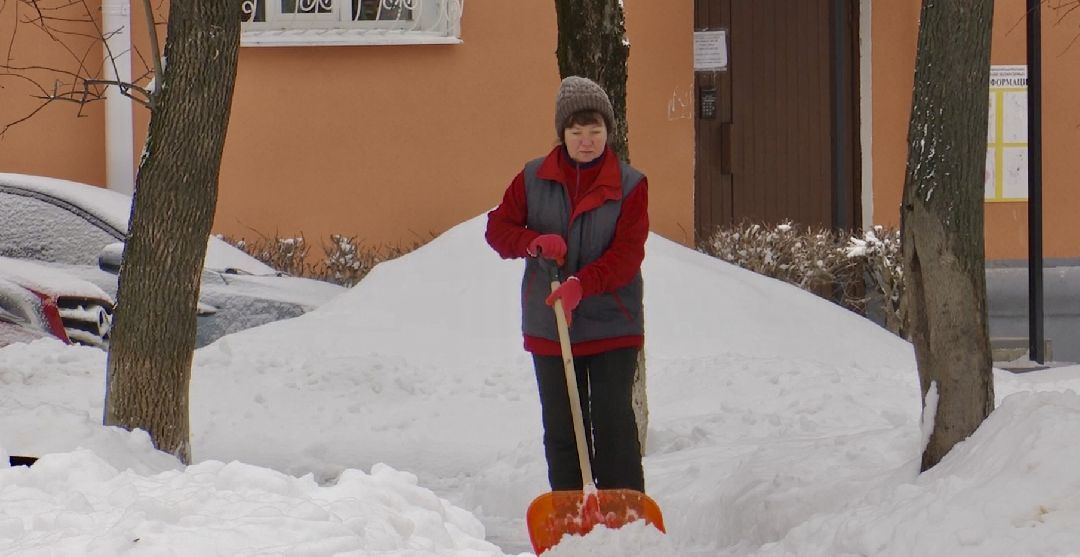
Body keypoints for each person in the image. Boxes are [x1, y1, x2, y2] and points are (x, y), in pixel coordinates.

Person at [485, 76, 649, 493]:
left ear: (608, 132)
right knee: (562, 428)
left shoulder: (630, 185)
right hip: (550, 323)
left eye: (595, 130)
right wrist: (533, 242)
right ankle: (572, 515)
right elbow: (498, 229)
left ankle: (624, 516)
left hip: (613, 321)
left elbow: (627, 255)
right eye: (576, 131)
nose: (586, 140)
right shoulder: (533, 177)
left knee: (612, 421)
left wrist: (583, 284)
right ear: (562, 133)